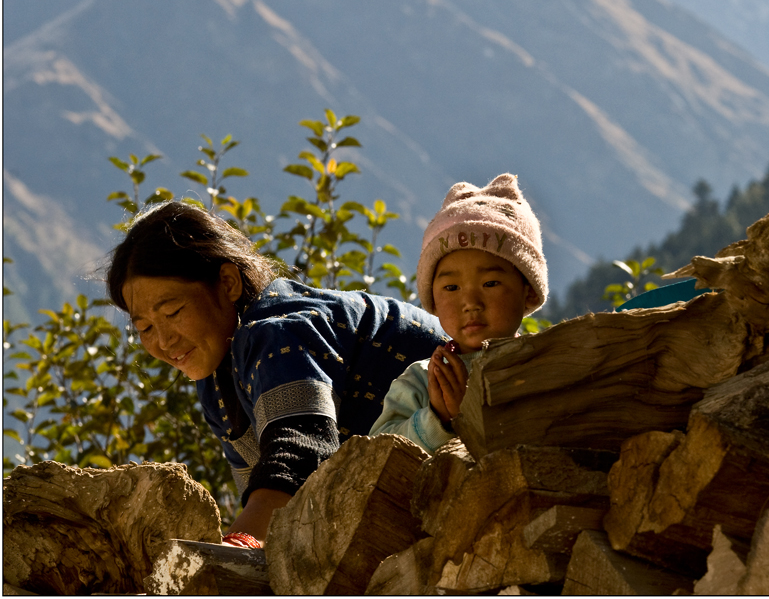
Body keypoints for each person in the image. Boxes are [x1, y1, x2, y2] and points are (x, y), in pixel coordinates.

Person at [106, 200, 449, 548]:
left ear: (227, 283)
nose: (164, 341)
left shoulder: (277, 332)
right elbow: (267, 498)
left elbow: (301, 459)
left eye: (174, 311)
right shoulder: (214, 384)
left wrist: (232, 549)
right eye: (145, 328)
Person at [369, 173, 548, 453]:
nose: (470, 302)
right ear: (434, 302)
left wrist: (477, 414)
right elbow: (375, 453)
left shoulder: (547, 364)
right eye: (451, 287)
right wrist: (440, 418)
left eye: (490, 283)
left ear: (530, 291)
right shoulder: (424, 380)